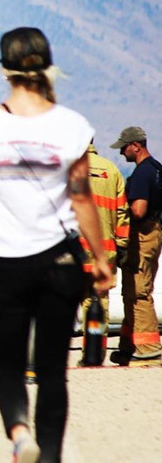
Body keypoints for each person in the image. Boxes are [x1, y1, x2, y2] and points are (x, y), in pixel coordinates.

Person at [0, 27, 112, 463]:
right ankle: (50, 458)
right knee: (52, 372)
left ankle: (21, 434)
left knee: (7, 366)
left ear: (4, 70)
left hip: (7, 263)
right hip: (61, 262)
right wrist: (100, 257)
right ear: (48, 66)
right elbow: (81, 197)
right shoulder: (72, 125)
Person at [109, 126, 162, 365]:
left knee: (139, 292)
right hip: (154, 234)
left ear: (136, 146)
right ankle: (129, 346)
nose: (121, 152)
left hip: (142, 237)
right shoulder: (157, 169)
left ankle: (149, 349)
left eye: (124, 148)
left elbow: (139, 209)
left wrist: (120, 213)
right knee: (132, 292)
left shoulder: (142, 173)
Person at [78, 141, 129, 351]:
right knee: (99, 303)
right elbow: (122, 212)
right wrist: (122, 244)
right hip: (104, 252)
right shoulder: (111, 169)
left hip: (75, 251)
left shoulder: (68, 169)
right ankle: (95, 352)